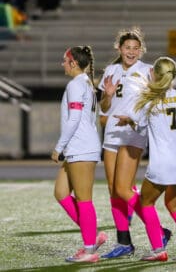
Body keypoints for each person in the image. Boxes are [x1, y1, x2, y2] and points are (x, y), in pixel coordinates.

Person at [114, 56, 176, 261]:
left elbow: (141, 128)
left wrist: (129, 121)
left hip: (162, 163)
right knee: (174, 206)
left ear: (154, 74)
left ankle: (158, 249)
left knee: (146, 203)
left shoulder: (148, 101)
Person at [98, 27, 171, 258]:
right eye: (127, 47)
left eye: (135, 48)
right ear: (119, 49)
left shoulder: (148, 71)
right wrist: (107, 95)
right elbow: (104, 108)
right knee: (113, 190)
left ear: (141, 50)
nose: (131, 51)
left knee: (122, 188)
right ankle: (124, 243)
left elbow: (158, 104)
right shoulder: (111, 70)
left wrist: (152, 93)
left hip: (133, 132)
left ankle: (159, 230)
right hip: (111, 132)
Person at [51, 46, 107, 263]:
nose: (62, 64)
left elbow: (74, 118)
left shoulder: (76, 84)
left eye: (65, 60)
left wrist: (59, 147)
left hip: (81, 147)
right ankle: (93, 236)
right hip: (80, 147)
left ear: (73, 62)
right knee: (61, 193)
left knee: (84, 201)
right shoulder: (85, 83)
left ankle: (89, 249)